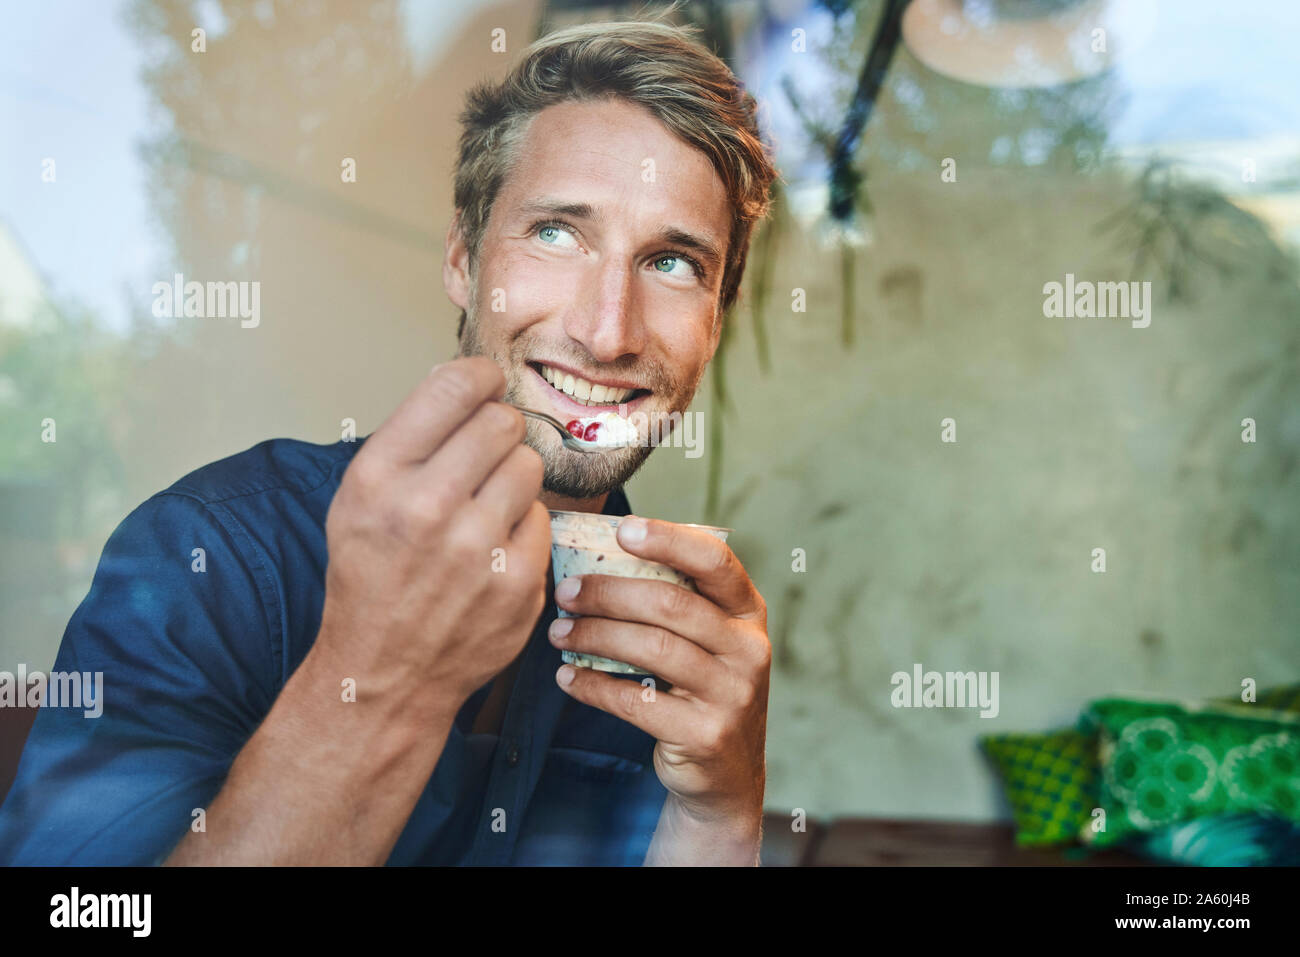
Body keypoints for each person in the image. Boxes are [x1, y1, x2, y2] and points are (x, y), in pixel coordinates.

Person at [0, 16, 778, 866]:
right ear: (461, 256)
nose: (608, 331)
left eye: (673, 262)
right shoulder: (205, 559)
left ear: (715, 319)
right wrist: (381, 683)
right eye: (557, 231)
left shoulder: (667, 648)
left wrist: (719, 819)